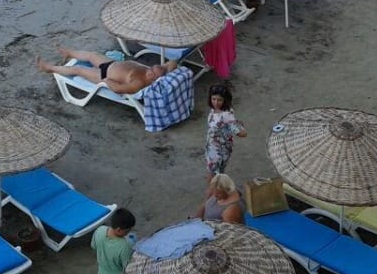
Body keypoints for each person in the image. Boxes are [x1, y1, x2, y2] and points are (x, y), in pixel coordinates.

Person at [36, 46, 176, 94]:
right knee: (92, 55)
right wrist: (164, 72)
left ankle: (49, 68)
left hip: (104, 75)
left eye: (152, 73)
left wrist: (107, 81)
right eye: (151, 68)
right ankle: (70, 53)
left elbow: (119, 89)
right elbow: (173, 63)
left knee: (78, 69)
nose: (149, 71)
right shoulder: (155, 73)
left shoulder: (138, 82)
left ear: (154, 80)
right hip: (111, 64)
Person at [204, 83, 246, 177]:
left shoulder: (226, 115)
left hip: (220, 149)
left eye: (219, 100)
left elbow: (242, 134)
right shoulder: (214, 110)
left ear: (225, 100)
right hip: (211, 145)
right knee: (216, 173)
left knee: (213, 173)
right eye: (213, 99)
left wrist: (239, 127)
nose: (216, 103)